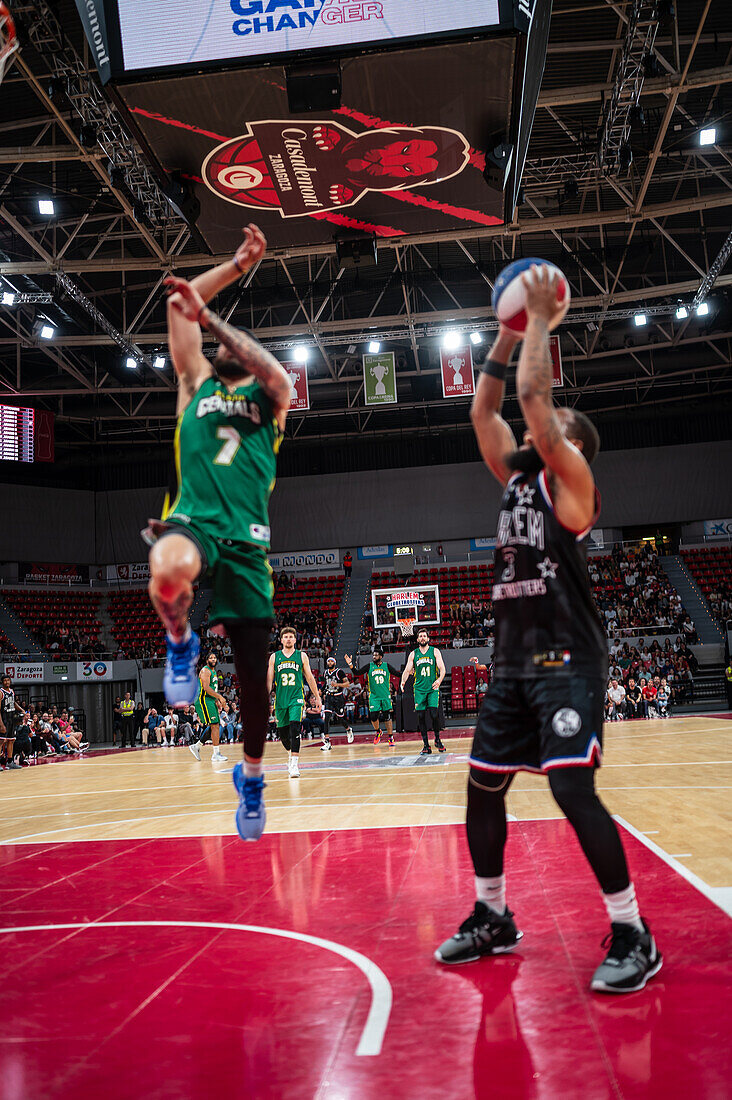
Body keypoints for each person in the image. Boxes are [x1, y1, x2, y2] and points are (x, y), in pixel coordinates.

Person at [435, 267, 661, 994]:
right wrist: (504, 334)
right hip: (512, 663)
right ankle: (493, 915)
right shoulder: (514, 478)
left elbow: (533, 400)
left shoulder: (574, 484)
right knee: (481, 790)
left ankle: (633, 929)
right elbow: (484, 410)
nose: (538, 430)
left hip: (569, 660)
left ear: (571, 443)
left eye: (552, 429)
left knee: (571, 791)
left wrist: (537, 319)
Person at [144, 224, 291, 840]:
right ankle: (181, 645)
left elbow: (271, 368)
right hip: (196, 523)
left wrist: (212, 316)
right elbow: (181, 308)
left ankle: (252, 778)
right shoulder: (194, 387)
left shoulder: (272, 396)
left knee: (254, 690)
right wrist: (234, 266)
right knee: (167, 566)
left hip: (249, 546)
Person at [267, 626, 321, 779]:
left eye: (291, 636)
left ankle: (295, 765)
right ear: (281, 640)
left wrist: (317, 697)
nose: (288, 639)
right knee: (283, 735)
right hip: (281, 699)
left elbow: (310, 678)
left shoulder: (301, 656)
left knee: (295, 729)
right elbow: (269, 680)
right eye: (286, 637)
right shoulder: (274, 657)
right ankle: (291, 756)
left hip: (296, 697)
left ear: (295, 639)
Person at [400, 629, 446, 754]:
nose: (422, 638)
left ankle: (437, 739)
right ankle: (426, 745)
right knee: (420, 717)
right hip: (419, 690)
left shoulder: (435, 651)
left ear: (428, 638)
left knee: (434, 715)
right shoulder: (413, 654)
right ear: (417, 640)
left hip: (432, 688)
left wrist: (440, 680)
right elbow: (407, 670)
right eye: (420, 636)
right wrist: (402, 681)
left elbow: (442, 669)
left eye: (424, 636)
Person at [344, 649, 400, 745]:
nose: (374, 656)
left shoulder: (386, 666)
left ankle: (390, 737)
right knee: (373, 716)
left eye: (376, 655)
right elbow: (357, 672)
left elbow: (397, 673)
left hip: (385, 696)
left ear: (381, 657)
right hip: (374, 696)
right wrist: (350, 664)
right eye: (373, 655)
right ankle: (378, 731)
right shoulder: (369, 666)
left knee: (387, 716)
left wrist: (408, 672)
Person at [189, 651, 227, 763]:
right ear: (207, 660)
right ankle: (216, 754)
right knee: (214, 725)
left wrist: (216, 700)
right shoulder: (205, 670)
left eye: (215, 658)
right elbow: (206, 688)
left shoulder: (214, 672)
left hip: (210, 700)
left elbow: (212, 689)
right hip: (203, 700)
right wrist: (220, 697)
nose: (213, 659)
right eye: (211, 658)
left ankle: (197, 746)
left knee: (214, 725)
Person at [322, 656, 353, 747]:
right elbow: (326, 683)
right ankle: (327, 741)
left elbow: (347, 684)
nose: (330, 663)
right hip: (328, 697)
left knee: (340, 718)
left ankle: (348, 729)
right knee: (327, 717)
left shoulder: (339, 672)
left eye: (331, 661)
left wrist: (337, 684)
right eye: (328, 661)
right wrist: (321, 690)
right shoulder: (325, 673)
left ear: (334, 663)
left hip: (338, 697)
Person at [1, 675, 25, 770]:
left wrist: (21, 709)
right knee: (1, 741)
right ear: (2, 682)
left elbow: (13, 703)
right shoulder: (1, 692)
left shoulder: (11, 691)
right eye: (5, 680)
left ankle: (10, 762)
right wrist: (1, 724)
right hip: (3, 719)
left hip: (11, 719)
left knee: (11, 740)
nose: (7, 682)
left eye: (8, 680)